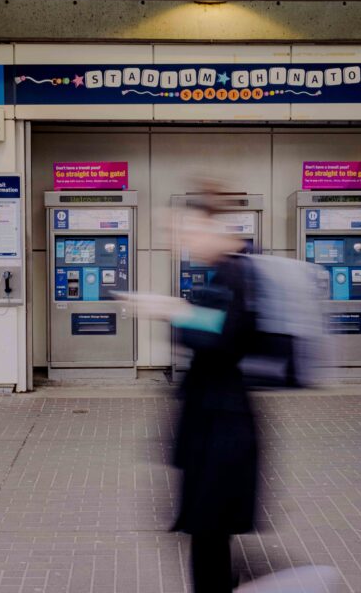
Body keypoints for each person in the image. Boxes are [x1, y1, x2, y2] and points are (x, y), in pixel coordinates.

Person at [128, 199, 259, 593]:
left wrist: (171, 310)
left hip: (222, 428)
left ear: (211, 228)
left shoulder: (234, 274)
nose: (179, 241)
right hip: (213, 423)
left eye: (185, 231)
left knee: (209, 532)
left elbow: (223, 337)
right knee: (210, 535)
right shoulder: (224, 274)